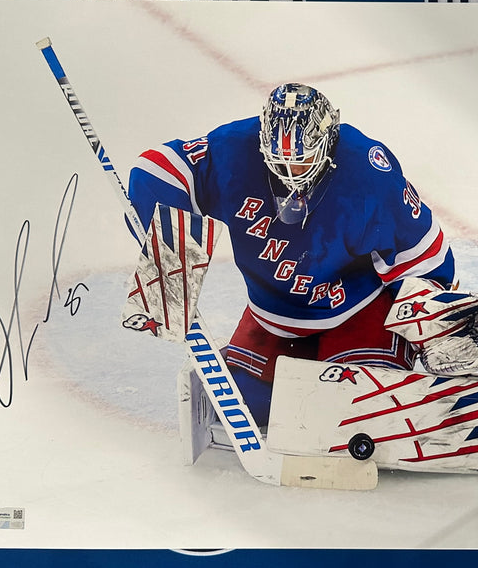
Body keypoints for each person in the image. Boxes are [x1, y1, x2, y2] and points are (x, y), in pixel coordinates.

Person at [127, 83, 458, 426]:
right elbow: (157, 169)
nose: (291, 175)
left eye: (303, 162)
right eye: (280, 162)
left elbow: (425, 260)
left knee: (357, 414)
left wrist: (435, 327)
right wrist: (169, 262)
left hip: (358, 312)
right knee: (238, 408)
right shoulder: (235, 150)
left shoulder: (368, 172)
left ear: (329, 143)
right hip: (275, 317)